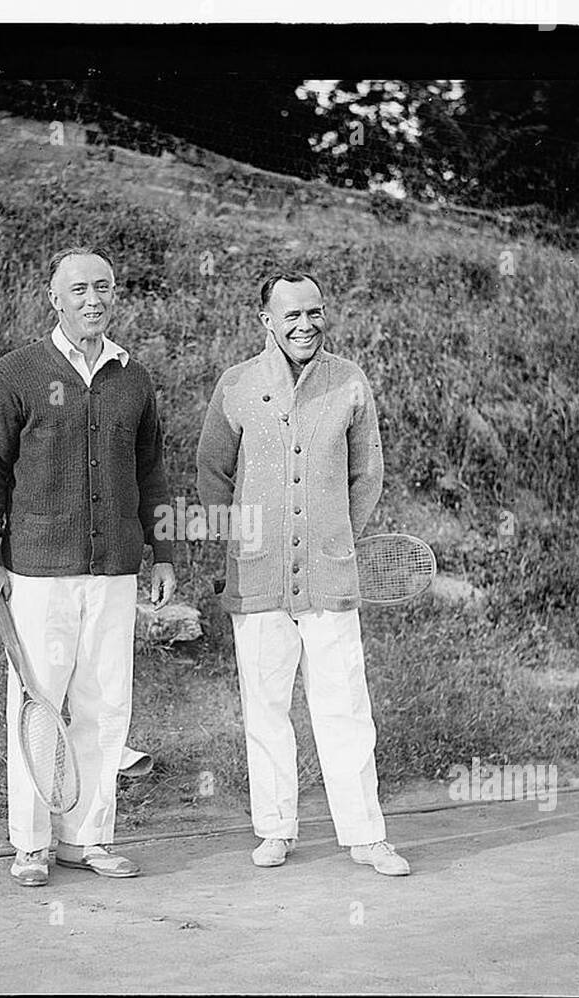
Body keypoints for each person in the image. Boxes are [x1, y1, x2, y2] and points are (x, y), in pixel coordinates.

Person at [0, 246, 176, 887]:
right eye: (79, 288)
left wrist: (163, 552)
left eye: (104, 288)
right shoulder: (19, 372)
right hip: (36, 574)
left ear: (115, 297)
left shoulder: (133, 378)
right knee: (37, 705)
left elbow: (151, 473)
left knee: (105, 706)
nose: (94, 299)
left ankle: (87, 840)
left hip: (113, 572)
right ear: (53, 297)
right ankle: (31, 845)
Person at [195, 270, 410, 876]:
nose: (305, 325)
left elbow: (367, 475)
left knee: (344, 706)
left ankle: (366, 835)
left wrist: (336, 536)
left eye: (314, 313)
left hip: (329, 578)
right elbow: (213, 471)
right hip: (257, 578)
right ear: (266, 320)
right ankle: (275, 829)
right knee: (265, 707)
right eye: (290, 315)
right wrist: (236, 537)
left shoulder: (350, 383)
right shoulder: (236, 386)